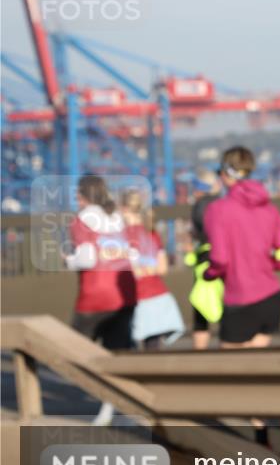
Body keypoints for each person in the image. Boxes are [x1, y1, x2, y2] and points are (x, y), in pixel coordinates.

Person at [203, 146, 280, 348]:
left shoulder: (217, 210)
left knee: (232, 370)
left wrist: (208, 274)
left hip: (240, 297)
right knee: (258, 368)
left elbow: (219, 258)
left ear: (227, 173)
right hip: (271, 295)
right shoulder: (270, 208)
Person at [65, 174, 137, 425]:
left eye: (78, 193)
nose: (75, 198)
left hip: (95, 295)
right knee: (116, 353)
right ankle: (115, 405)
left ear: (84, 196)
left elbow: (87, 259)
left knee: (71, 351)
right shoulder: (118, 217)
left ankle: (106, 399)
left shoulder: (82, 220)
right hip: (125, 291)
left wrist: (68, 260)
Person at [120, 189, 185, 350]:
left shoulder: (122, 236)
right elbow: (162, 268)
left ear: (124, 209)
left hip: (136, 300)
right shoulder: (151, 233)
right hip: (158, 297)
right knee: (153, 348)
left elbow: (131, 271)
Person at [186, 169, 222, 350]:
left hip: (205, 260)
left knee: (200, 316)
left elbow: (203, 231)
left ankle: (199, 357)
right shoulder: (222, 203)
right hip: (221, 257)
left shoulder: (200, 205)